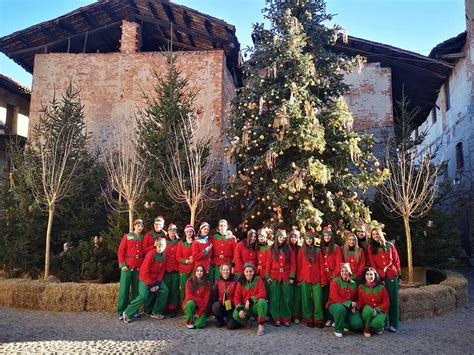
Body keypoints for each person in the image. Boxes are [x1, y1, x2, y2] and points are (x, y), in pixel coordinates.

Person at [123, 238, 169, 323]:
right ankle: (127, 313)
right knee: (143, 296)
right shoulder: (150, 254)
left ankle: (156, 312)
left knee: (164, 290)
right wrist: (151, 285)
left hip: (156, 278)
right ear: (156, 246)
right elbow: (144, 271)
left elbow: (162, 270)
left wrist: (158, 283)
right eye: (159, 246)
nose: (160, 248)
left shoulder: (164, 255)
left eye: (162, 246)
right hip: (145, 277)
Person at [368, 226, 401, 332]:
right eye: (373, 235)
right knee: (381, 301)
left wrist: (398, 274)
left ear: (380, 234)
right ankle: (383, 322)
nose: (375, 236)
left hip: (392, 275)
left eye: (377, 234)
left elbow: (396, 260)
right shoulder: (371, 248)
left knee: (393, 300)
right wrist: (380, 275)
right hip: (380, 276)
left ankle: (394, 324)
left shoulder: (389, 245)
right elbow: (373, 265)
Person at [265, 229, 296, 327]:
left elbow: (293, 264)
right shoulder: (271, 249)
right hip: (274, 276)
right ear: (276, 238)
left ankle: (286, 317)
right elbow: (268, 263)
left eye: (283, 237)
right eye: (280, 237)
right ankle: (276, 318)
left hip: (286, 276)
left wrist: (292, 276)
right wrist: (267, 275)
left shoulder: (289, 249)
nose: (281, 239)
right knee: (274, 298)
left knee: (286, 298)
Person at [296, 230, 326, 328]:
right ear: (305, 240)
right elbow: (299, 265)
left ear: (313, 240)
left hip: (316, 278)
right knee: (306, 299)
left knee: (318, 299)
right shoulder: (301, 250)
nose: (308, 240)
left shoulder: (317, 250)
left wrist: (323, 279)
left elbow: (322, 265)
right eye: (307, 239)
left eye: (310, 239)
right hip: (305, 278)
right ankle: (309, 318)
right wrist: (299, 278)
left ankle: (319, 319)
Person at [117, 219, 145, 321]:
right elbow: (121, 251)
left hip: (139, 267)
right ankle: (121, 311)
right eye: (138, 226)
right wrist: (122, 264)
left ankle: (134, 311)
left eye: (141, 226)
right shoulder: (127, 237)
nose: (140, 228)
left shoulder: (143, 237)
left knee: (136, 290)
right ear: (134, 226)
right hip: (127, 267)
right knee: (124, 290)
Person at [326, 263, 363, 338]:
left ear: (349, 272)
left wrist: (355, 306)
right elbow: (334, 297)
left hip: (349, 308)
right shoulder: (335, 282)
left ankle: (341, 322)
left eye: (346, 271)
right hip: (335, 305)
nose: (344, 273)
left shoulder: (354, 284)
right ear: (340, 272)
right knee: (340, 309)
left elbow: (357, 298)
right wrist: (349, 303)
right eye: (342, 271)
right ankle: (338, 329)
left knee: (358, 323)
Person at [231, 263, 267, 336]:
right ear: (244, 272)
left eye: (250, 271)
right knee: (236, 314)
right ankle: (247, 321)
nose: (248, 273)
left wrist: (251, 299)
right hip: (246, 307)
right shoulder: (240, 282)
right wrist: (240, 308)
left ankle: (261, 324)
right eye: (246, 271)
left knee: (262, 302)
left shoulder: (258, 280)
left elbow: (263, 293)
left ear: (254, 272)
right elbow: (236, 298)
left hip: (256, 306)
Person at [320, 225, 344, 326]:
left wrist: (334, 275)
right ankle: (327, 318)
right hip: (323, 275)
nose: (327, 237)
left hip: (333, 275)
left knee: (333, 297)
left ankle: (334, 318)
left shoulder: (336, 248)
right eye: (325, 235)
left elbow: (339, 263)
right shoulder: (320, 247)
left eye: (329, 236)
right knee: (325, 297)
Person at [357, 267, 390, 337]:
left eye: (371, 274)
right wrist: (356, 307)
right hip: (367, 310)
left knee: (377, 323)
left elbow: (386, 302)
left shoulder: (381, 288)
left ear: (375, 276)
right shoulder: (361, 287)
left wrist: (376, 310)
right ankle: (366, 329)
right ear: (365, 276)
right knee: (368, 310)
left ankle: (378, 327)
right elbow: (360, 301)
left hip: (378, 311)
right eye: (367, 274)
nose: (369, 276)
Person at [182, 264, 211, 329]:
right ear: (194, 272)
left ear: (203, 273)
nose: (199, 272)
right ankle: (189, 321)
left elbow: (206, 301)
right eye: (197, 271)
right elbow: (188, 296)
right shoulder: (189, 282)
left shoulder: (207, 283)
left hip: (201, 308)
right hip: (191, 305)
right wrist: (200, 300)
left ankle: (195, 317)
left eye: (201, 271)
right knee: (190, 303)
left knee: (199, 325)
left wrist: (199, 313)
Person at [210, 219, 237, 285]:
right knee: (217, 282)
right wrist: (212, 260)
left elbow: (235, 252)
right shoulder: (214, 237)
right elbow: (211, 250)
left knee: (227, 282)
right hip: (217, 262)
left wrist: (233, 264)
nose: (222, 227)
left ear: (227, 227)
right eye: (221, 226)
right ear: (218, 227)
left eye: (224, 225)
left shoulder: (232, 238)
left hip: (228, 262)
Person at [211, 263, 237, 328]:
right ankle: (220, 320)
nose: (225, 271)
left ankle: (231, 320)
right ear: (221, 271)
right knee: (215, 306)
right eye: (224, 270)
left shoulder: (235, 282)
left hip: (231, 306)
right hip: (221, 305)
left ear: (230, 271)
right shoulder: (217, 282)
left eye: (227, 270)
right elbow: (214, 296)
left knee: (231, 326)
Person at [163, 223, 180, 317]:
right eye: (171, 230)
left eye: (174, 230)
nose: (172, 232)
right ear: (168, 231)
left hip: (176, 270)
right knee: (166, 289)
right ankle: (165, 307)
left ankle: (173, 308)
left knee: (174, 290)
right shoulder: (164, 241)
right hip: (166, 269)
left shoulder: (179, 242)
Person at [176, 224, 195, 303]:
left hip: (193, 269)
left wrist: (193, 258)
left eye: (190, 231)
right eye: (187, 232)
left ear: (193, 233)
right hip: (183, 269)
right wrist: (186, 261)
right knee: (183, 288)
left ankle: (191, 306)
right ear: (185, 233)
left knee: (192, 288)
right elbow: (178, 257)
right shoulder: (181, 243)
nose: (189, 233)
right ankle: (183, 306)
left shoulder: (195, 242)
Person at [288, 229, 302, 324]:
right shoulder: (286, 248)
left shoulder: (300, 248)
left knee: (297, 297)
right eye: (292, 237)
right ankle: (289, 315)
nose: (294, 239)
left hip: (299, 274)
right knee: (289, 296)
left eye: (295, 237)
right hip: (289, 275)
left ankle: (296, 315)